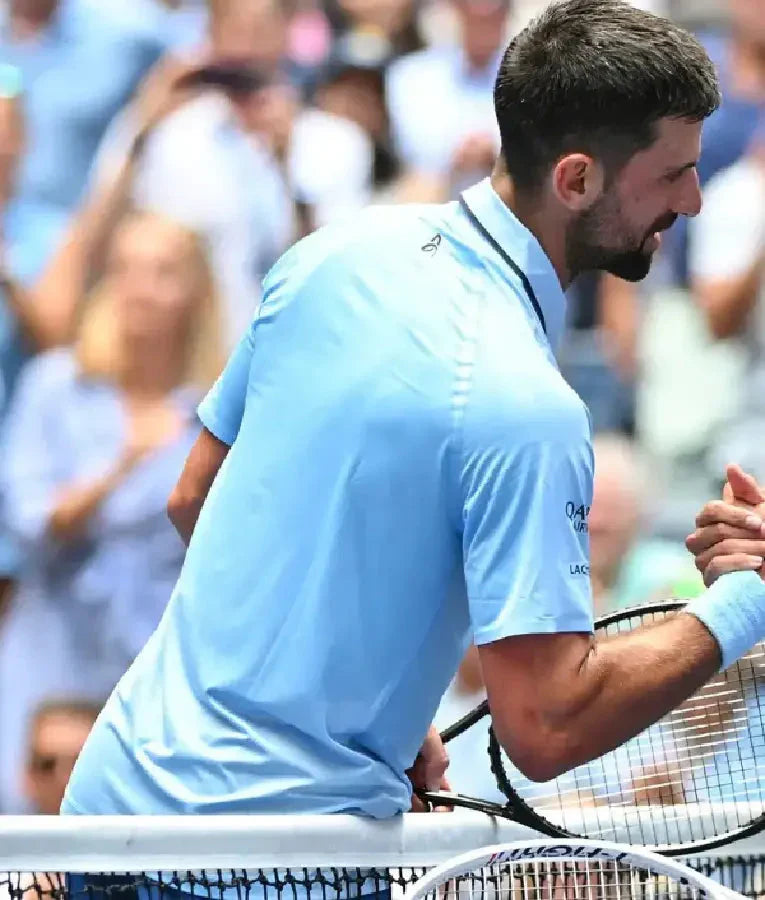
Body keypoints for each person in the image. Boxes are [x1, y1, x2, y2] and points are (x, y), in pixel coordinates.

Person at [62, 0, 765, 821]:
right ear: (575, 178)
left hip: (109, 815)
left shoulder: (330, 253)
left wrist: (366, 703)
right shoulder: (524, 406)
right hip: (270, 858)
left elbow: (195, 500)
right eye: (671, 175)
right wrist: (745, 602)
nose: (691, 204)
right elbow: (545, 724)